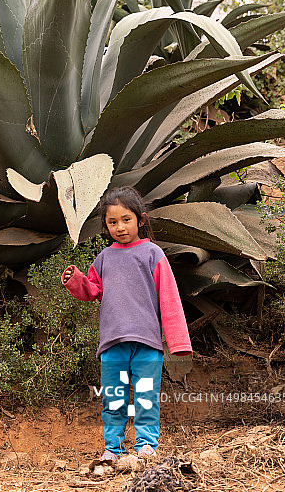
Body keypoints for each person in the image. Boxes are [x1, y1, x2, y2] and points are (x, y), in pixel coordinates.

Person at [61, 186, 192, 463]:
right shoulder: (105, 258)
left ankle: (145, 447)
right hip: (113, 346)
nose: (120, 227)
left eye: (126, 220)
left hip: (147, 345)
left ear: (140, 220)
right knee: (114, 399)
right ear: (105, 226)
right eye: (112, 222)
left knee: (146, 398)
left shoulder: (152, 254)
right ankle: (113, 449)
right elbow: (92, 291)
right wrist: (76, 280)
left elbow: (169, 298)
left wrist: (178, 342)